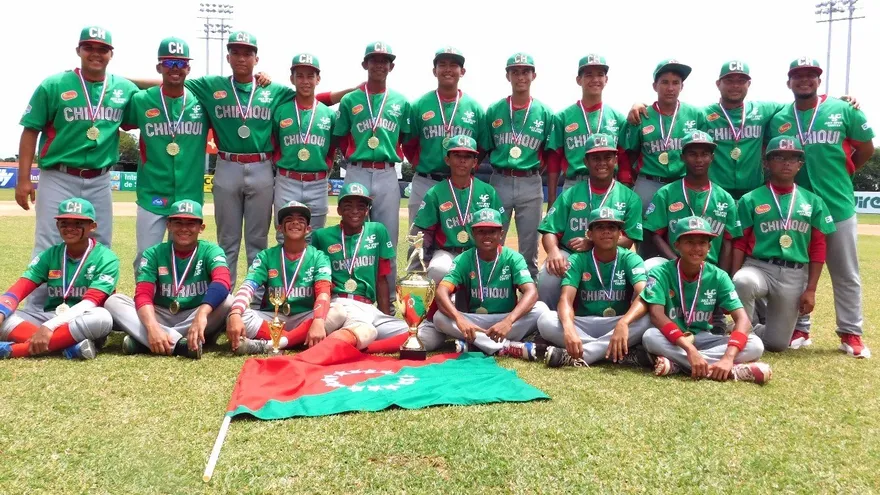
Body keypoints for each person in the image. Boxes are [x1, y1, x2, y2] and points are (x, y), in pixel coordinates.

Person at [17, 26, 138, 311]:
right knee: (49, 240)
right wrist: (24, 179)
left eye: (102, 49)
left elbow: (157, 93)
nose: (95, 53)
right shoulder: (55, 84)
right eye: (89, 47)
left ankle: (94, 308)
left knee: (100, 242)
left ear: (111, 54)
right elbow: (30, 130)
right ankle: (37, 309)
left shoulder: (123, 88)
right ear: (78, 50)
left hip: (99, 177)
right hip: (59, 174)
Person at [766, 57, 875, 359]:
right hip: (796, 208)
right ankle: (801, 327)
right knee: (797, 270)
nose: (804, 81)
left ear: (818, 80)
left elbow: (865, 147)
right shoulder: (779, 117)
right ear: (789, 82)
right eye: (798, 76)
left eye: (811, 76)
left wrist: (845, 171)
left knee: (845, 273)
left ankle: (851, 333)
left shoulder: (842, 109)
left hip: (837, 203)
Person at [731, 137, 836, 352]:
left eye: (793, 158)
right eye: (779, 157)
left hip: (793, 273)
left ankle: (748, 329)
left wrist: (811, 289)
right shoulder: (751, 199)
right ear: (766, 163)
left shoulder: (813, 201)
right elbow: (740, 243)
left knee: (777, 344)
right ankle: (742, 332)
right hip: (758, 266)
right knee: (742, 281)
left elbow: (818, 247)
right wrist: (730, 283)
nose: (786, 163)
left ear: (800, 164)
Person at [640, 216, 771, 384]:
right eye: (690, 242)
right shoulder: (660, 272)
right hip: (673, 338)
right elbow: (657, 315)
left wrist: (728, 357)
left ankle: (680, 365)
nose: (696, 248)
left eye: (702, 243)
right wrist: (689, 350)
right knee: (650, 337)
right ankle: (729, 371)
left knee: (755, 344)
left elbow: (743, 319)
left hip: (704, 337)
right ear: (677, 245)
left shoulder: (718, 276)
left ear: (709, 247)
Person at [334, 42, 412, 302]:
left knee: (387, 237)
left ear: (391, 66)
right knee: (352, 234)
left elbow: (406, 139)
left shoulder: (401, 101)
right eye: (374, 59)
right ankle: (353, 296)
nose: (379, 64)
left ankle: (387, 302)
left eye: (384, 60)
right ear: (364, 64)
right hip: (357, 170)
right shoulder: (350, 100)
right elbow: (340, 137)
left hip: (387, 172)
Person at [125, 37, 209, 275]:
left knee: (185, 259)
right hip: (152, 191)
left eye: (181, 63)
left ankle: (179, 306)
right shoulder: (141, 100)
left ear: (188, 68)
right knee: (145, 256)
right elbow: (115, 121)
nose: (175, 68)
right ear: (159, 66)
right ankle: (145, 305)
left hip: (189, 193)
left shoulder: (202, 102)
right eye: (169, 62)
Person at [106, 200, 230, 358]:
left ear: (201, 228)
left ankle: (145, 342)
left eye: (191, 223)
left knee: (228, 300)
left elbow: (222, 282)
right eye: (178, 222)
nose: (184, 228)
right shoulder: (153, 253)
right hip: (160, 315)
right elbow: (143, 293)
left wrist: (202, 314)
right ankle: (179, 344)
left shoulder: (211, 250)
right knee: (114, 301)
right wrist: (152, 327)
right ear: (168, 225)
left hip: (195, 314)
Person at [418, 207, 549, 359]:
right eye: (481, 231)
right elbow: (441, 292)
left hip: (506, 320)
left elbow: (531, 292)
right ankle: (506, 347)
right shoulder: (464, 259)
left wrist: (508, 321)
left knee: (541, 309)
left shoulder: (513, 258)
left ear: (501, 234)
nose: (487, 236)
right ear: (473, 234)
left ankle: (476, 344)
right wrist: (460, 319)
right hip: (474, 321)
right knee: (440, 317)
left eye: (492, 231)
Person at [0, 198, 117, 360]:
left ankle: (13, 351)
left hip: (81, 320)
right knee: (4, 313)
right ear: (57, 226)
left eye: (78, 223)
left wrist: (49, 327)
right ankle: (68, 346)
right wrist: (1, 312)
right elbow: (19, 289)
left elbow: (90, 302)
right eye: (64, 223)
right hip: (51, 316)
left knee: (103, 318)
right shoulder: (51, 254)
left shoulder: (106, 258)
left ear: (92, 226)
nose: (70, 228)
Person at [227, 201, 350, 354]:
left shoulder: (318, 256)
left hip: (307, 316)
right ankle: (297, 341)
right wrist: (235, 313)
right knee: (235, 313)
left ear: (308, 229)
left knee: (338, 311)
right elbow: (248, 286)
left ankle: (270, 344)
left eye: (301, 220)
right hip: (274, 317)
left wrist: (318, 320)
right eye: (289, 220)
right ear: (279, 228)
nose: (295, 223)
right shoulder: (266, 256)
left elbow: (323, 291)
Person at [537, 207, 653, 368]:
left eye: (612, 227)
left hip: (616, 321)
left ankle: (582, 354)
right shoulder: (578, 259)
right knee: (545, 320)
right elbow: (565, 299)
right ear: (589, 234)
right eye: (600, 227)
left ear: (620, 233)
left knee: (648, 320)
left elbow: (643, 296)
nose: (606, 232)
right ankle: (618, 353)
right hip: (583, 323)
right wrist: (569, 329)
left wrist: (624, 323)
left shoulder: (630, 259)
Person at [537, 133, 643, 305]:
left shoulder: (629, 197)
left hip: (611, 257)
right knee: (549, 277)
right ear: (586, 162)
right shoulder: (571, 194)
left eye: (607, 157)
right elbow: (550, 230)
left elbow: (629, 238)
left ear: (615, 160)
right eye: (595, 158)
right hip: (572, 255)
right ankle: (549, 322)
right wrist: (554, 252)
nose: (602, 163)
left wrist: (592, 243)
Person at [622, 59, 705, 261]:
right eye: (664, 82)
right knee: (645, 236)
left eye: (675, 82)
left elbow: (704, 152)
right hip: (649, 182)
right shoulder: (641, 115)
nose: (670, 87)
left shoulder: (695, 115)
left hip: (682, 183)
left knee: (684, 233)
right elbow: (628, 153)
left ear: (682, 86)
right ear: (654, 86)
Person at [311, 183, 409, 352]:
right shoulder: (322, 236)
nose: (355, 211)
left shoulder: (377, 230)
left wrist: (385, 315)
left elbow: (382, 278)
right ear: (339, 210)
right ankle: (346, 341)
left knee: (419, 332)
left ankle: (364, 346)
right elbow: (317, 280)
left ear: (367, 210)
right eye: (348, 207)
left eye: (361, 207)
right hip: (340, 303)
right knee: (360, 324)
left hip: (369, 307)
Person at [484, 53, 554, 279]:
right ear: (508, 76)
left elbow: (548, 154)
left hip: (530, 181)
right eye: (515, 71)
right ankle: (492, 290)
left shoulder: (544, 113)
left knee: (529, 247)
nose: (520, 76)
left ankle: (529, 294)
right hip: (499, 179)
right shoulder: (494, 110)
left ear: (534, 75)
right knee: (492, 240)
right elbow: (486, 148)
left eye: (525, 71)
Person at [404, 47, 487, 229]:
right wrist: (421, 165)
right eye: (442, 64)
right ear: (434, 71)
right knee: (417, 237)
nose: (447, 69)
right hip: (426, 180)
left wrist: (467, 169)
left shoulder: (475, 108)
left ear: (462, 72)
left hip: (461, 183)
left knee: (460, 238)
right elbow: (409, 144)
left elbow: (483, 146)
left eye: (454, 65)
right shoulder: (419, 105)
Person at [642, 131, 741, 273]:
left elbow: (728, 242)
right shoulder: (666, 193)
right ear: (682, 157)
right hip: (673, 263)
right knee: (649, 267)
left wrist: (722, 276)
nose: (699, 159)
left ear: (712, 157)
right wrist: (676, 262)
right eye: (692, 154)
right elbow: (655, 234)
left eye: (704, 154)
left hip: (709, 268)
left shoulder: (725, 198)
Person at [411, 134, 503, 286]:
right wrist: (421, 266)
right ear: (447, 160)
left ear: (475, 162)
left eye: (467, 156)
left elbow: (499, 229)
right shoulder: (435, 192)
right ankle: (436, 309)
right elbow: (423, 233)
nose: (462, 160)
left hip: (478, 252)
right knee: (438, 268)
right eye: (457, 155)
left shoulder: (488, 191)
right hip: (447, 252)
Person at [545, 54, 630, 206]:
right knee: (573, 230)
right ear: (579, 80)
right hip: (575, 183)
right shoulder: (562, 117)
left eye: (600, 74)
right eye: (589, 75)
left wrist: (624, 191)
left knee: (608, 230)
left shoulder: (617, 118)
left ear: (606, 80)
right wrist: (552, 198)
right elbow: (554, 161)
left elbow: (623, 158)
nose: (595, 79)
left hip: (609, 184)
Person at [272, 53, 339, 238]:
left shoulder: (329, 114)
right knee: (284, 236)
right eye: (299, 75)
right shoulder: (280, 111)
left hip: (317, 182)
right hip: (287, 179)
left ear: (318, 79)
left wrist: (325, 170)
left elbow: (332, 149)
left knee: (314, 237)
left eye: (310, 76)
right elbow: (273, 144)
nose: (305, 81)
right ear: (291, 78)